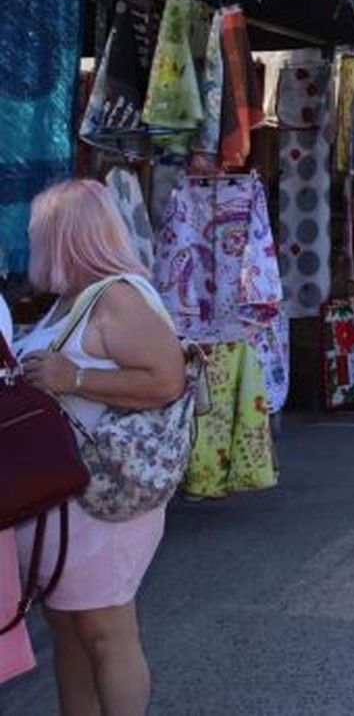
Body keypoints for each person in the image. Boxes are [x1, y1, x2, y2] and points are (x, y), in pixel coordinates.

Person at [15, 179, 187, 716]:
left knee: (105, 630)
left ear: (64, 234)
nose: (31, 239)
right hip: (72, 498)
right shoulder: (69, 301)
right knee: (71, 631)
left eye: (39, 230)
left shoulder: (116, 295)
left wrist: (73, 378)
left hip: (105, 493)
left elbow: (167, 380)